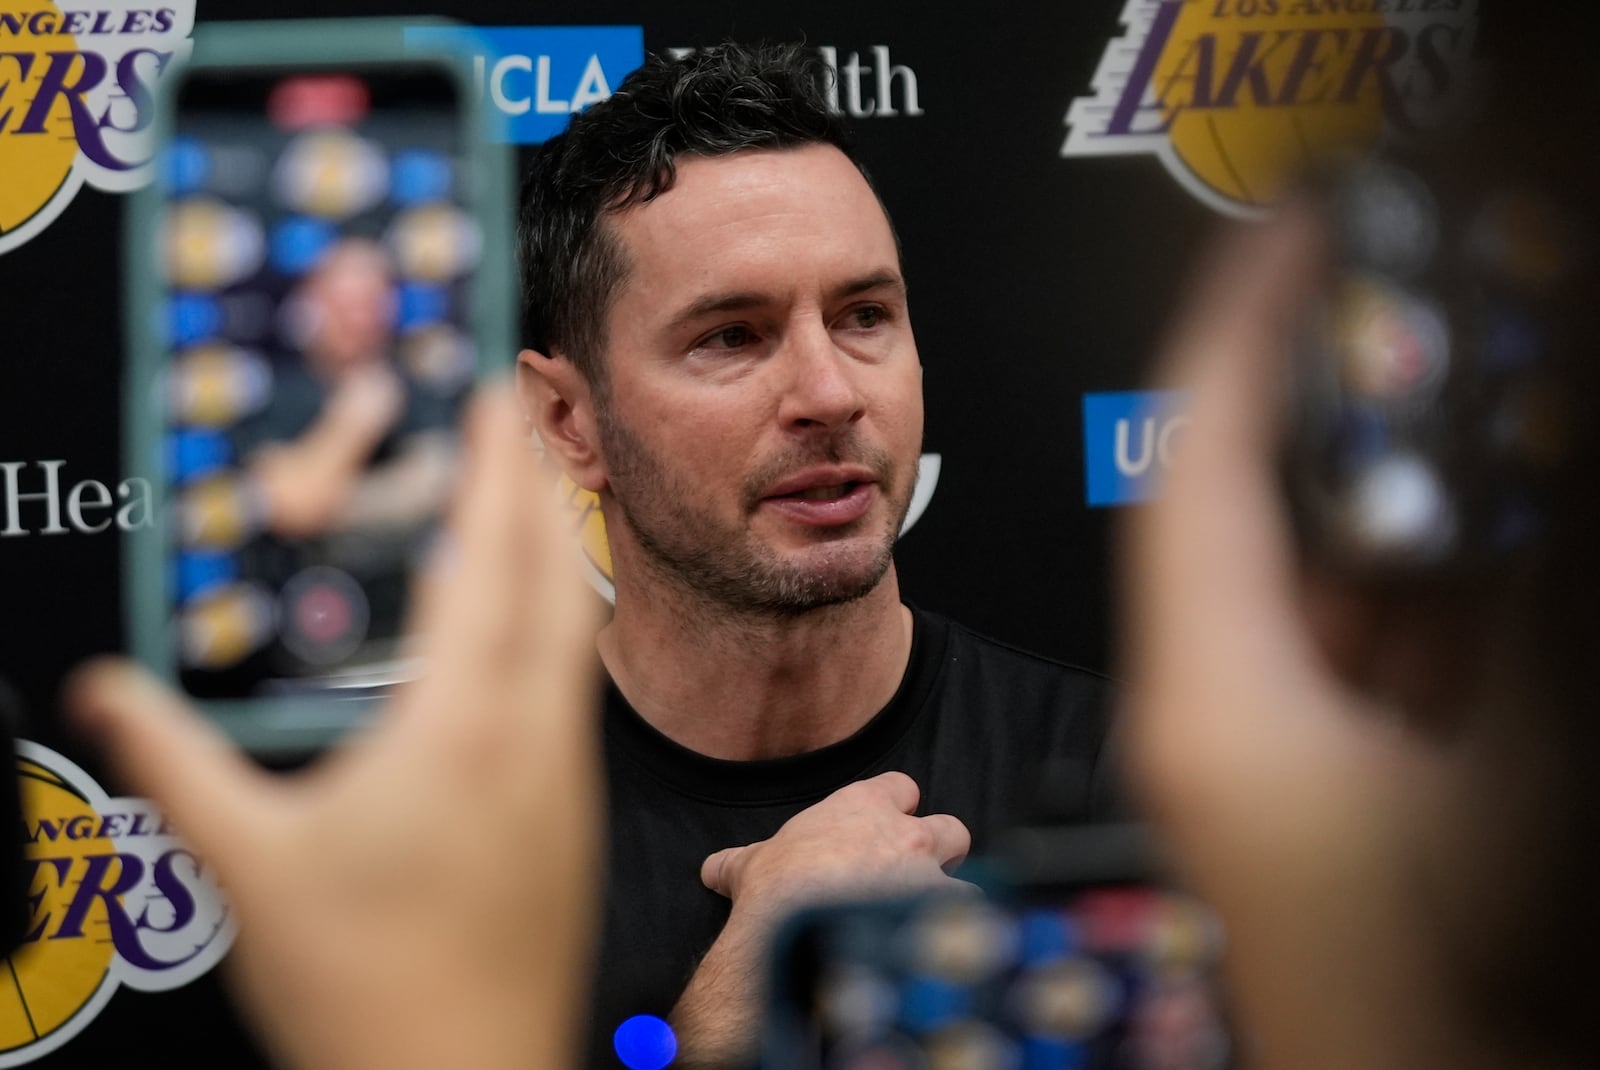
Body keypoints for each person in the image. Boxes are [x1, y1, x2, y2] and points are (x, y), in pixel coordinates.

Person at [512, 42, 1116, 1066]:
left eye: (864, 316)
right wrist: (741, 1002)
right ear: (572, 421)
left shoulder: (1126, 779)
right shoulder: (464, 853)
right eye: (731, 336)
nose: (830, 392)